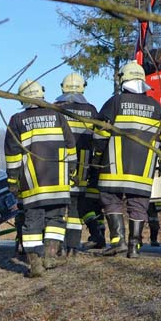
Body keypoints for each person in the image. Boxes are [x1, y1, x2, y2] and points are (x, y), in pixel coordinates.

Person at [90, 61, 161, 258]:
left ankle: (118, 241)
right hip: (143, 170)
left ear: (123, 80)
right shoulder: (155, 107)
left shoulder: (115, 102)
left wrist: (97, 158)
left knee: (110, 199)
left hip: (113, 167)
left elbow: (100, 134)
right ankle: (134, 247)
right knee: (139, 204)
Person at [5, 79, 76, 276]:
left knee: (32, 223)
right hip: (59, 182)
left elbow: (12, 155)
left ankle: (35, 264)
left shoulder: (17, 120)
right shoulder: (57, 115)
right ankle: (50, 257)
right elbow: (71, 147)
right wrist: (72, 172)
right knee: (56, 219)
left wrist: (12, 181)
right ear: (41, 95)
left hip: (32, 184)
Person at [54, 72, 102, 255]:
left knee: (58, 207)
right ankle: (73, 247)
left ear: (62, 87)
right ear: (83, 87)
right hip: (84, 164)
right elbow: (98, 139)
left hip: (60, 164)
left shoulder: (54, 108)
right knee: (77, 205)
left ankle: (58, 245)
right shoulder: (91, 110)